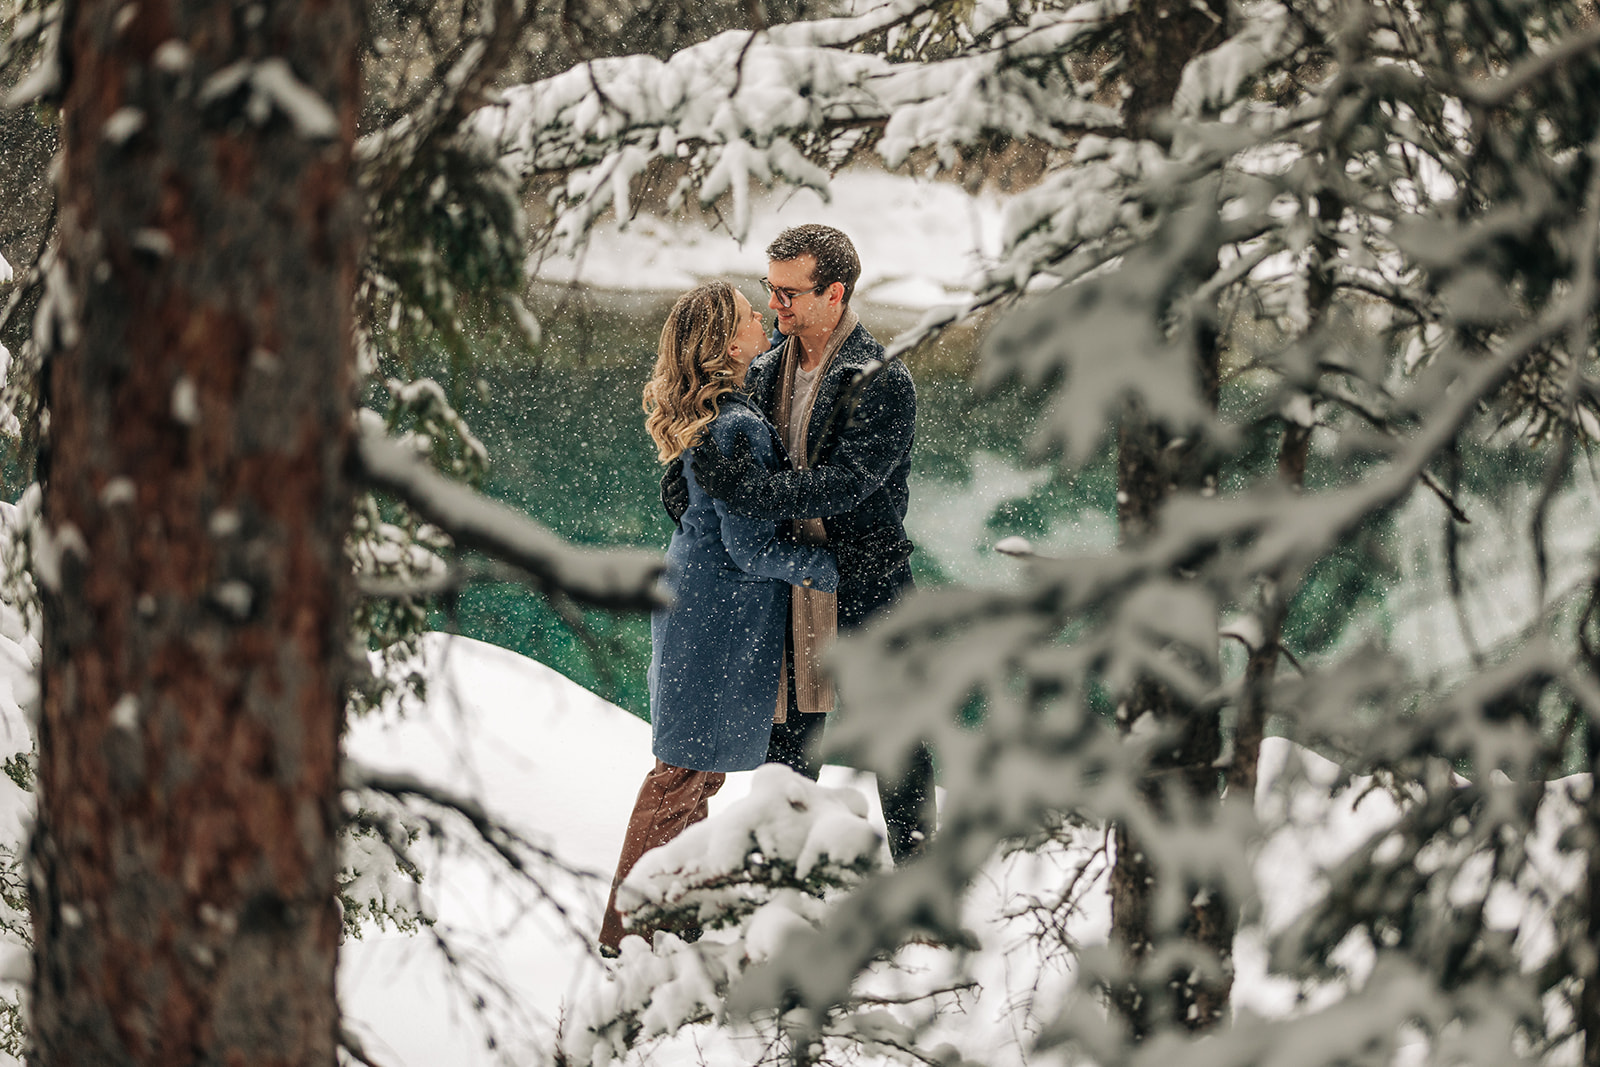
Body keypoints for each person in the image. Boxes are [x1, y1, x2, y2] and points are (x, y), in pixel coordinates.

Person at [662, 224, 934, 863]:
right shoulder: (761, 369)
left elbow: (848, 485)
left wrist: (752, 493)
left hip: (869, 580)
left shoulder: (880, 379)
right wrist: (684, 488)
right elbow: (720, 444)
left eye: (789, 292)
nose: (774, 304)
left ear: (834, 293)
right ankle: (777, 878)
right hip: (790, 579)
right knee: (791, 743)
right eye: (770, 289)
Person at [600, 281, 850, 957]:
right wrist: (831, 569)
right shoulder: (737, 424)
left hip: (698, 608)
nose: (762, 318)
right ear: (727, 343)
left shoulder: (722, 412)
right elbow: (750, 545)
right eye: (748, 316)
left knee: (692, 776)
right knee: (680, 776)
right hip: (711, 621)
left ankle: (663, 919)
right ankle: (626, 932)